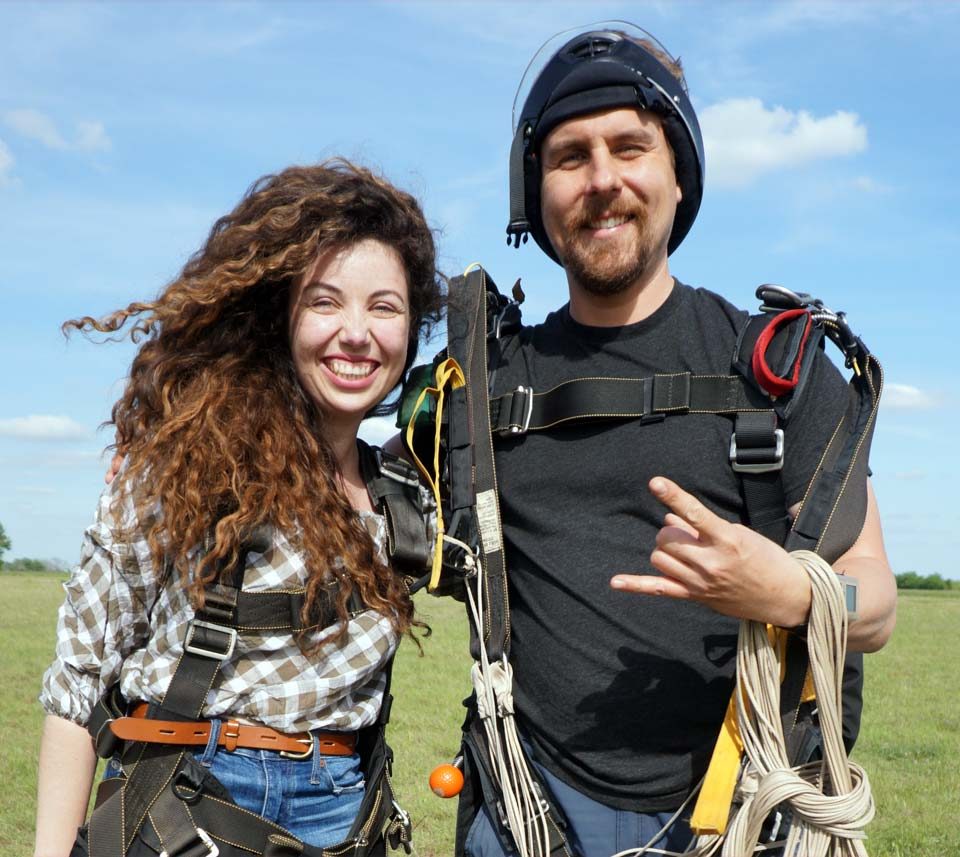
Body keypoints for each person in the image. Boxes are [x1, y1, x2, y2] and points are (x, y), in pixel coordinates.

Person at [442, 24, 898, 857]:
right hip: (530, 809)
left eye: (629, 147)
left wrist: (791, 592)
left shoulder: (776, 365)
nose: (602, 179)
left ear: (678, 177)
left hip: (746, 805)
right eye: (570, 156)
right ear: (533, 191)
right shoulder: (485, 388)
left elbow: (876, 600)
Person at [34, 160, 442, 857]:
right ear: (278, 317)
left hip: (345, 813)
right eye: (324, 302)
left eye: (384, 306)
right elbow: (77, 684)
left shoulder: (409, 496)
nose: (356, 332)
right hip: (182, 801)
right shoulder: (186, 466)